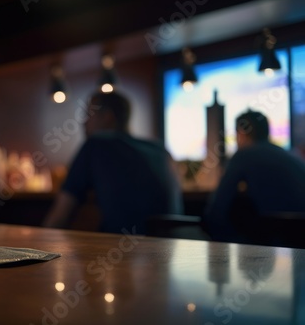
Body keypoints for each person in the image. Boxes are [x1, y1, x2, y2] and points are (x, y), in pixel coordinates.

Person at [42, 91, 184, 234]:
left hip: (125, 250)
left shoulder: (96, 144)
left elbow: (60, 214)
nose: (83, 122)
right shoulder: (159, 149)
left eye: (88, 115)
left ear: (108, 117)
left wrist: (39, 248)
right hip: (173, 247)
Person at [203, 110, 305, 242]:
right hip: (298, 236)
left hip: (280, 236)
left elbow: (216, 212)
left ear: (241, 133)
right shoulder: (289, 154)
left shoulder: (244, 155)